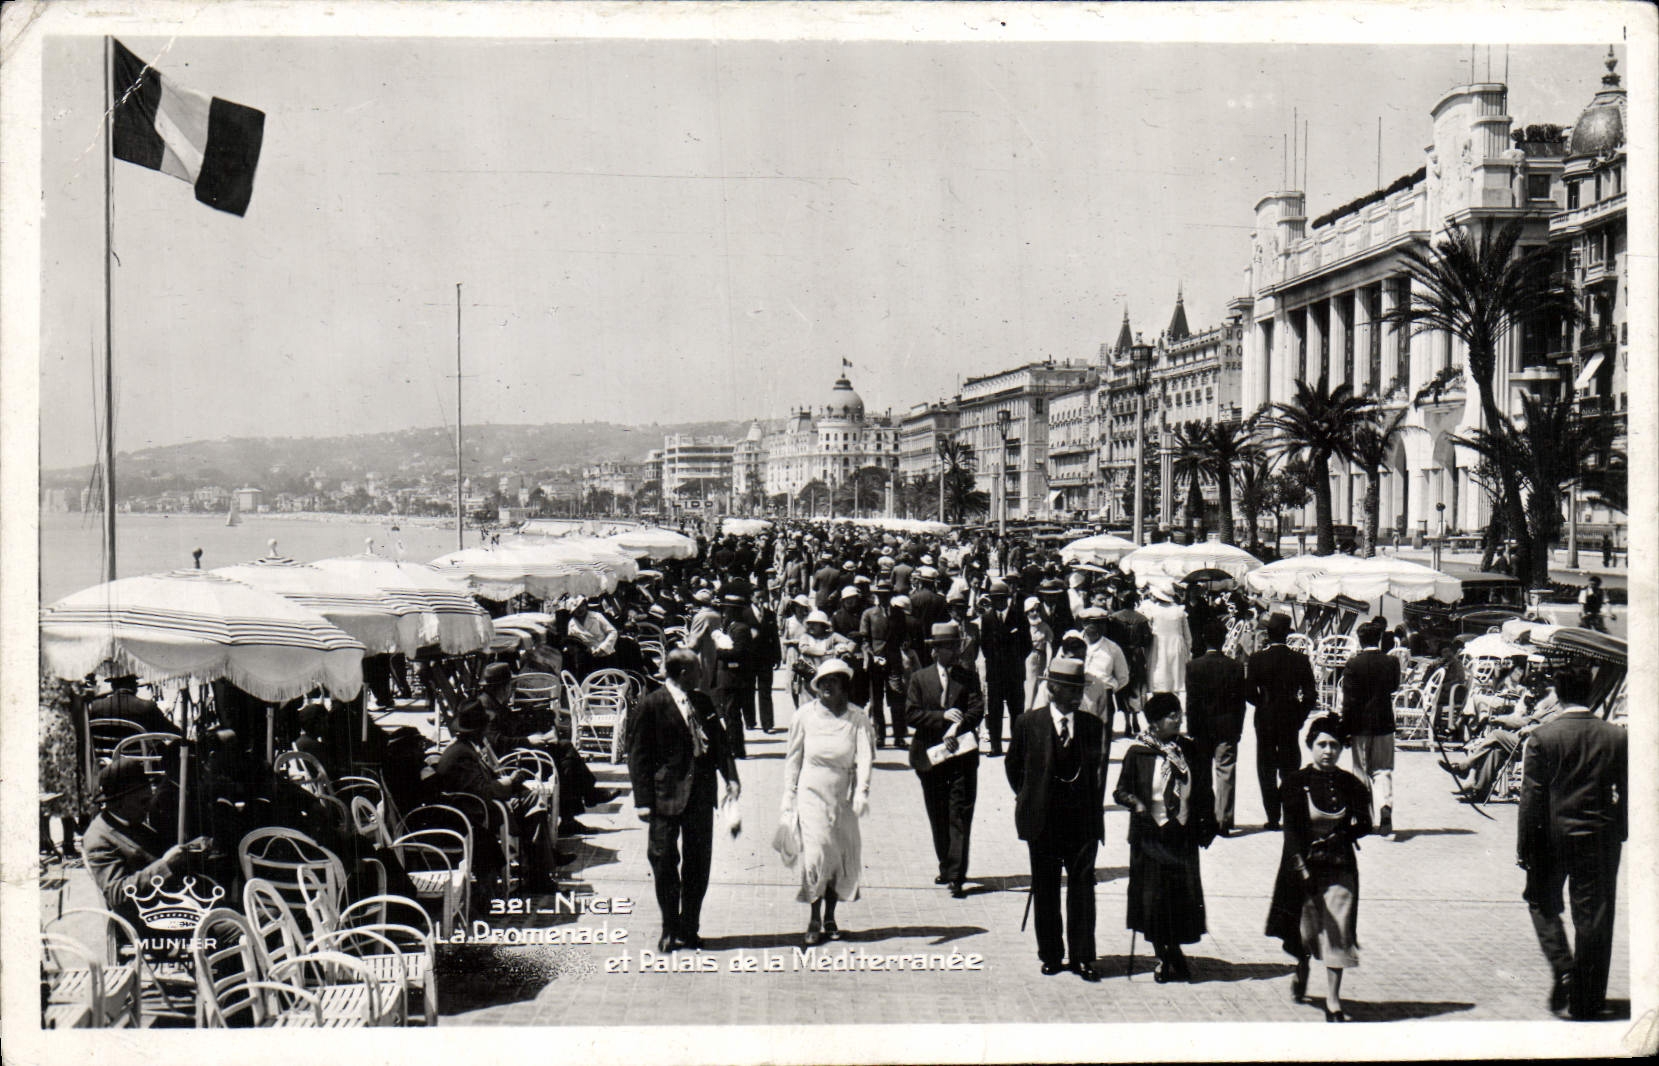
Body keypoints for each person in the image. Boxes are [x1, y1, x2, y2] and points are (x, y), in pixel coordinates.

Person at [1518, 665, 1626, 1019]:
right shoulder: (1615, 736)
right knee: (1594, 916)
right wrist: (1619, 830)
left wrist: (1525, 847)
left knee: (1540, 900)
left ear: (1559, 693)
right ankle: (1587, 1001)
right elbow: (1627, 792)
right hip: (1600, 837)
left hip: (1551, 838)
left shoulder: (1543, 737)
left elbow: (1531, 799)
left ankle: (1564, 966)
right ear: (1590, 692)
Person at [627, 648, 742, 952]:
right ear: (682, 673)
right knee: (663, 861)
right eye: (697, 671)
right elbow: (637, 756)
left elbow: (720, 743)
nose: (703, 675)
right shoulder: (652, 705)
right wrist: (642, 801)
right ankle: (669, 927)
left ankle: (689, 927)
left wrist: (731, 778)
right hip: (665, 797)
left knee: (698, 864)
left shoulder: (703, 702)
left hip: (701, 795)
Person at [1265, 714, 1372, 1022]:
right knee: (1306, 933)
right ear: (1310, 746)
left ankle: (1334, 1001)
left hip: (1340, 868)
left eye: (1335, 746)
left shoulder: (1351, 784)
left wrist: (1344, 835)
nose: (1328, 751)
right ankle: (1302, 965)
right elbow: (1291, 832)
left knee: (1338, 930)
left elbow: (1365, 823)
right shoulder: (1295, 783)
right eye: (1322, 744)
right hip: (1304, 869)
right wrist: (1301, 867)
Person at [1006, 658, 1108, 981]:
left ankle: (1082, 957)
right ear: (1052, 689)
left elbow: (1098, 775)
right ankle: (1051, 954)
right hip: (1043, 823)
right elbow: (1013, 768)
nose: (1077, 695)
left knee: (1082, 891)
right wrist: (1031, 796)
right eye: (1071, 689)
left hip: (1082, 825)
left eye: (1080, 689)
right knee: (1046, 889)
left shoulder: (1093, 726)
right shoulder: (1028, 724)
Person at [1114, 692, 1217, 983]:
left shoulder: (1189, 750)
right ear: (1156, 721)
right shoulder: (1139, 753)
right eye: (1172, 715)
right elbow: (1120, 791)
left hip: (1180, 836)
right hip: (1150, 837)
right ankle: (1164, 957)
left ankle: (1174, 951)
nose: (1179, 718)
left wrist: (1206, 824)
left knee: (1180, 901)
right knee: (1155, 903)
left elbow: (1204, 789)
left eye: (1179, 713)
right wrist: (1137, 803)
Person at [779, 659, 874, 946]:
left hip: (842, 795)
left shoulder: (857, 717)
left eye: (834, 681)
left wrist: (861, 793)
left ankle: (830, 916)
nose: (828, 687)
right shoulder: (804, 716)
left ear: (845, 686)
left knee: (838, 857)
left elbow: (866, 757)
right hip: (810, 792)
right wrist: (788, 796)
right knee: (816, 855)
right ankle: (813, 917)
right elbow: (793, 758)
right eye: (823, 682)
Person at [435, 700, 566, 891]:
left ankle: (540, 867)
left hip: (481, 805)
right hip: (476, 813)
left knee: (532, 801)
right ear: (478, 730)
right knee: (532, 805)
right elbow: (484, 791)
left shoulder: (465, 748)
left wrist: (510, 782)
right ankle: (540, 873)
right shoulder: (462, 754)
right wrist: (511, 782)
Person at [905, 621, 986, 898]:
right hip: (930, 757)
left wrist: (957, 727)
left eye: (954, 646)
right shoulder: (920, 678)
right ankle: (946, 864)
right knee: (938, 814)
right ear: (935, 651)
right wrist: (941, 718)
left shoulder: (968, 676)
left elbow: (977, 708)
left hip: (961, 756)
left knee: (959, 814)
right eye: (945, 647)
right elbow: (911, 714)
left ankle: (956, 875)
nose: (951, 652)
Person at [83, 757, 214, 921]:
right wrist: (165, 865)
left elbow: (164, 853)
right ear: (117, 804)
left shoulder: (132, 820)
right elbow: (117, 894)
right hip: (155, 919)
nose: (149, 806)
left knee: (249, 916)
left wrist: (190, 851)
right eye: (143, 801)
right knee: (245, 927)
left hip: (180, 903)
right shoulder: (99, 839)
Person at [1245, 612, 1318, 830]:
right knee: (1290, 767)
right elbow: (1311, 695)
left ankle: (1273, 816)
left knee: (1266, 767)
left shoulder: (1257, 659)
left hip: (1266, 717)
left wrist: (1262, 704)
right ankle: (1289, 811)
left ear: (1268, 633)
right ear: (1288, 634)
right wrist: (1300, 715)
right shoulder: (1300, 660)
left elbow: (1248, 692)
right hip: (1290, 717)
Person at [1185, 623, 1247, 837]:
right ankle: (1224, 820)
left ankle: (1204, 817)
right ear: (1223, 640)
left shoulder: (1193, 666)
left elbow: (1191, 702)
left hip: (1202, 729)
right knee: (1226, 772)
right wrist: (1238, 729)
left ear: (1204, 640)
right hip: (1227, 728)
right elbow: (1240, 703)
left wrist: (1191, 729)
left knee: (1202, 773)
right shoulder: (1236, 667)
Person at [1341, 621, 1401, 837]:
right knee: (1383, 769)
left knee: (1361, 772)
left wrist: (1345, 728)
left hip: (1360, 725)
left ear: (1360, 639)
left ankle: (1364, 817)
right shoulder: (1391, 662)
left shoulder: (1353, 664)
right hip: (1384, 723)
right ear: (1378, 639)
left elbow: (1349, 701)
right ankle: (1386, 806)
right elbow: (1394, 687)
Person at [977, 579, 1030, 759]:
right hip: (995, 674)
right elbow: (984, 645)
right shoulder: (987, 618)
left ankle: (1016, 748)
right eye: (994, 599)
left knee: (1017, 711)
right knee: (994, 711)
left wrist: (1015, 660)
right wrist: (994, 660)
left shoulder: (1019, 616)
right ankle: (995, 746)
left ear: (1008, 599)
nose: (998, 602)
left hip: (1014, 673)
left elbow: (1027, 645)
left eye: (1001, 598)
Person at [861, 584, 911, 749]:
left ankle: (899, 735)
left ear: (891, 596)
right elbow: (865, 640)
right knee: (876, 701)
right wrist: (872, 656)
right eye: (880, 595)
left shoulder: (898, 613)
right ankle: (879, 735)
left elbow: (904, 636)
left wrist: (903, 647)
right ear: (876, 596)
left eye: (887, 595)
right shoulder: (868, 614)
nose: (883, 598)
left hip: (894, 661)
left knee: (897, 698)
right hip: (875, 662)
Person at [713, 590, 757, 758]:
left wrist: (719, 652)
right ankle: (734, 747)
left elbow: (739, 652)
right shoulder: (731, 627)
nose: (725, 612)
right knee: (730, 713)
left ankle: (736, 749)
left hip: (734, 678)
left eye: (728, 609)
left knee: (732, 714)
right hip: (729, 677)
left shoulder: (740, 629)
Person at [1076, 608, 1128, 730]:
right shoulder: (1072, 641)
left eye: (1102, 624)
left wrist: (1107, 690)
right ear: (1084, 624)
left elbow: (1123, 677)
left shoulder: (1113, 648)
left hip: (1104, 697)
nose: (1098, 628)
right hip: (1078, 696)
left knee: (1103, 742)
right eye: (1093, 623)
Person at [1142, 587, 1192, 706]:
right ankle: (1174, 703)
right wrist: (1188, 649)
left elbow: (1148, 631)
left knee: (1159, 674)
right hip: (1176, 646)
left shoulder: (1152, 611)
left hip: (1158, 646)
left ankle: (1160, 703)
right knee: (1175, 674)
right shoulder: (1179, 611)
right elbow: (1188, 635)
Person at [88, 674, 181, 736]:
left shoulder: (95, 707)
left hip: (104, 759)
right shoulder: (148, 707)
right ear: (135, 686)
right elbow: (173, 732)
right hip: (141, 759)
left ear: (112, 686)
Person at [1022, 597, 1055, 719]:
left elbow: (1049, 646)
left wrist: (1048, 665)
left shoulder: (1044, 626)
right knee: (1030, 689)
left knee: (1042, 688)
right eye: (1032, 610)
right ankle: (1027, 716)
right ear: (1027, 612)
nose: (1035, 613)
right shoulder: (1024, 626)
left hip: (1042, 658)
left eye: (1037, 610)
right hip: (1029, 658)